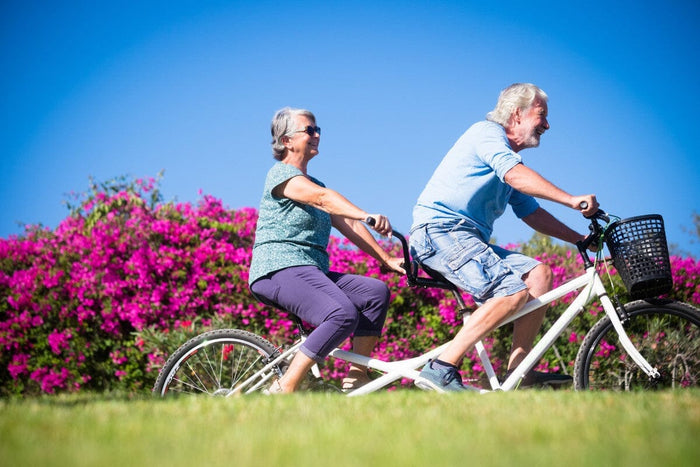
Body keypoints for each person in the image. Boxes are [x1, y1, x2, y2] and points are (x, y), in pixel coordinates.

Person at [409, 83, 599, 391]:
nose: (547, 125)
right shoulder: (487, 134)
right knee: (510, 292)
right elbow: (514, 175)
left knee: (539, 274)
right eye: (542, 115)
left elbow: (531, 213)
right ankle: (441, 367)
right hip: (440, 231)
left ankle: (517, 372)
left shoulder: (507, 160)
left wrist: (580, 238)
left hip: (466, 237)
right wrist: (571, 200)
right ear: (517, 114)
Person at [249, 107, 405, 394]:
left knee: (374, 293)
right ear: (286, 141)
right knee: (341, 313)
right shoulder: (281, 175)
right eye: (309, 130)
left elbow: (345, 222)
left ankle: (357, 374)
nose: (317, 134)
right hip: (279, 268)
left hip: (308, 268)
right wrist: (366, 214)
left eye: (318, 130)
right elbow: (323, 199)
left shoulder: (314, 185)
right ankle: (285, 386)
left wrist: (385, 258)